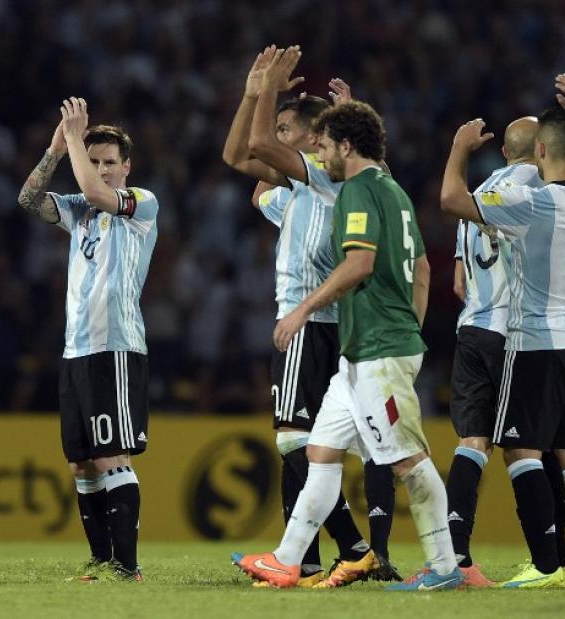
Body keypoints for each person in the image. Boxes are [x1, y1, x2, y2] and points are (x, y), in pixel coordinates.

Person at [232, 71, 461, 590]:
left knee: (408, 459)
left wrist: (298, 312)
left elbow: (358, 264)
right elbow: (422, 269)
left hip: (378, 347)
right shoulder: (394, 190)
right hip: (363, 351)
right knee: (319, 451)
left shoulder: (357, 191)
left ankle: (446, 568)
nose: (320, 154)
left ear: (347, 147)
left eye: (327, 145)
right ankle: (287, 559)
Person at [440, 74, 565, 588]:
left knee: (521, 451)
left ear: (541, 149)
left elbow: (452, 202)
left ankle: (548, 560)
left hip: (529, 341)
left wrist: (460, 151)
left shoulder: (529, 203)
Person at [221, 46, 381, 588]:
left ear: (315, 140)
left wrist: (263, 87)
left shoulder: (326, 178)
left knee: (294, 440)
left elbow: (256, 146)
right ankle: (303, 560)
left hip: (311, 324)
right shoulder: (299, 193)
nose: (277, 136)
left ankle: (356, 548)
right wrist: (251, 96)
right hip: (328, 325)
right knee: (309, 442)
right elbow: (240, 159)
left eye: (288, 129)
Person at [17, 97, 158, 582]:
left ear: (127, 167)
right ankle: (101, 562)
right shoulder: (78, 211)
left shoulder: (140, 203)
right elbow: (28, 200)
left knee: (109, 454)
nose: (101, 170)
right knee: (81, 464)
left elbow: (97, 195)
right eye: (94, 161)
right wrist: (56, 149)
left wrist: (76, 141)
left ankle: (128, 566)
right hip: (75, 348)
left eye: (109, 163)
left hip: (114, 345)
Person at [447, 117, 545, 587]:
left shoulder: (480, 188)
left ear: (505, 152)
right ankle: (547, 561)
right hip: (513, 331)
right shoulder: (541, 190)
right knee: (524, 447)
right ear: (543, 150)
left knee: (473, 443)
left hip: (472, 328)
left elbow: (458, 278)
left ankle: (456, 558)